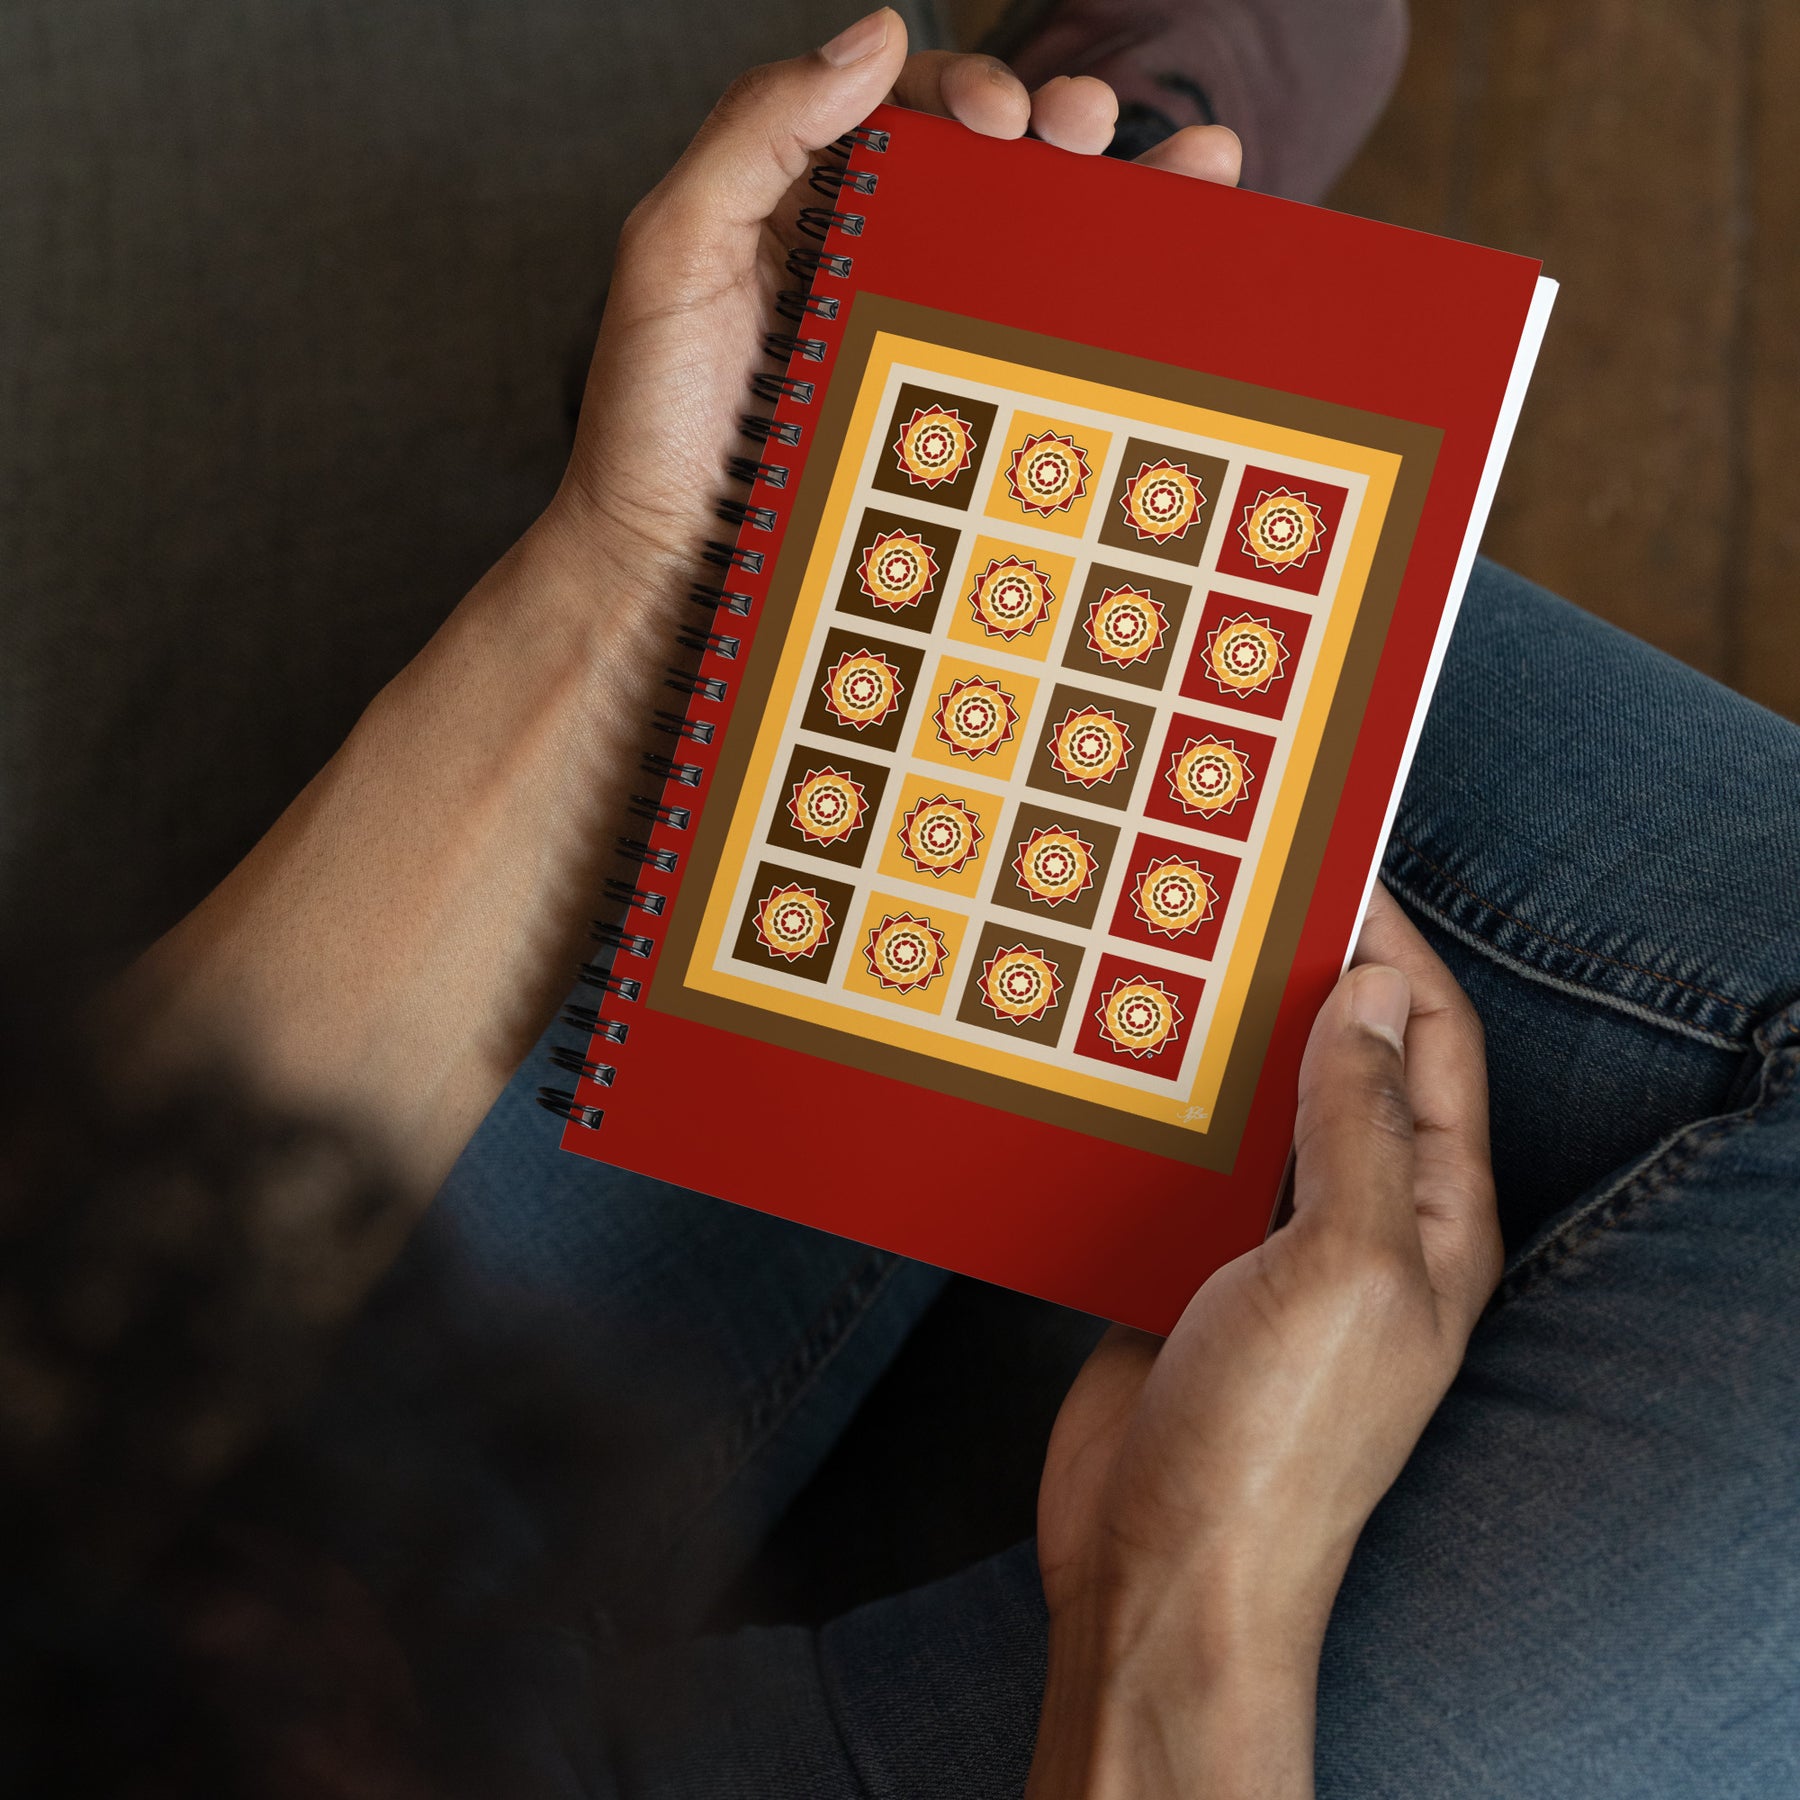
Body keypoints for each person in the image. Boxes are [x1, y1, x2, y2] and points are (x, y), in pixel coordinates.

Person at [5, 9, 1798, 1797]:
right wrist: (1182, 1618)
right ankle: (1051, 289)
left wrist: (629, 582)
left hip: (186, 1577)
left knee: (867, 673)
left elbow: (62, 1344)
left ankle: (956, 349)